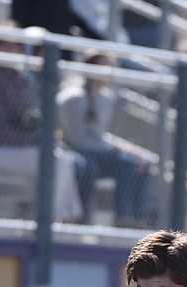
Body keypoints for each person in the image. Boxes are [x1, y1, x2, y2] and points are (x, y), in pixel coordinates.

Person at [0, 27, 86, 223]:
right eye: (4, 44)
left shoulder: (16, 77)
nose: (11, 50)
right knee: (56, 161)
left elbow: (25, 119)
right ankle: (53, 222)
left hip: (12, 147)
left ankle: (66, 219)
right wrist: (34, 141)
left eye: (15, 45)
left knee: (65, 159)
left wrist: (38, 138)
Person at [58, 51, 152, 228]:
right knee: (93, 166)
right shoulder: (74, 98)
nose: (105, 72)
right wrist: (117, 149)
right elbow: (80, 141)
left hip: (97, 152)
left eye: (109, 67)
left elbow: (98, 136)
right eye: (100, 67)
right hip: (77, 152)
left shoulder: (106, 97)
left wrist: (125, 149)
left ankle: (133, 220)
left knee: (139, 163)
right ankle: (83, 221)